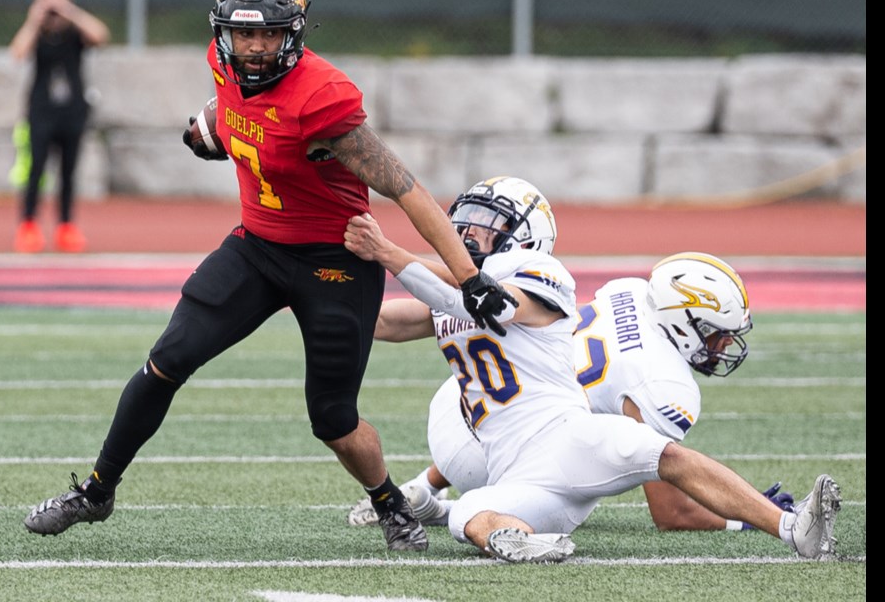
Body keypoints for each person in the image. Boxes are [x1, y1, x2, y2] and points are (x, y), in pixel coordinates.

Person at [22, 0, 515, 553]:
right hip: (257, 248)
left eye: (270, 35)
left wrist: (469, 275)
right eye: (243, 34)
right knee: (165, 360)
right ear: (225, 33)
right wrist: (218, 133)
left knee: (332, 418)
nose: (255, 48)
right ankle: (96, 492)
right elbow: (237, 112)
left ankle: (391, 504)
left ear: (294, 33)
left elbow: (405, 188)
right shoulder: (222, 61)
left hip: (335, 259)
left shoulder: (323, 98)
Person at [342, 175, 842, 562]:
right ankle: (515, 541)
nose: (467, 230)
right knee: (470, 517)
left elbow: (491, 303)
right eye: (466, 218)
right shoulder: (450, 296)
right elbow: (386, 320)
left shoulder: (544, 274)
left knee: (660, 452)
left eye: (486, 222)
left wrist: (388, 253)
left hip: (565, 434)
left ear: (524, 237)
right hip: (506, 461)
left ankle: (793, 529)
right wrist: (310, 301)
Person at [348, 254, 796, 532]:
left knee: (532, 391)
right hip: (494, 460)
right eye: (716, 335)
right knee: (581, 449)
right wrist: (743, 517)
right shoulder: (662, 384)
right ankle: (464, 509)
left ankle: (420, 490)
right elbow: (673, 515)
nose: (721, 347)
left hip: (456, 404)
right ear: (682, 323)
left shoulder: (630, 293)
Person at [8, 0, 110, 253]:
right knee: (36, 169)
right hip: (41, 112)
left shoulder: (75, 33)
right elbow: (17, 52)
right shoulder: (37, 34)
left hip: (73, 111)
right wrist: (35, 19)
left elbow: (101, 35)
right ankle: (28, 224)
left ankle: (66, 226)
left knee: (69, 171)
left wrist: (70, 12)